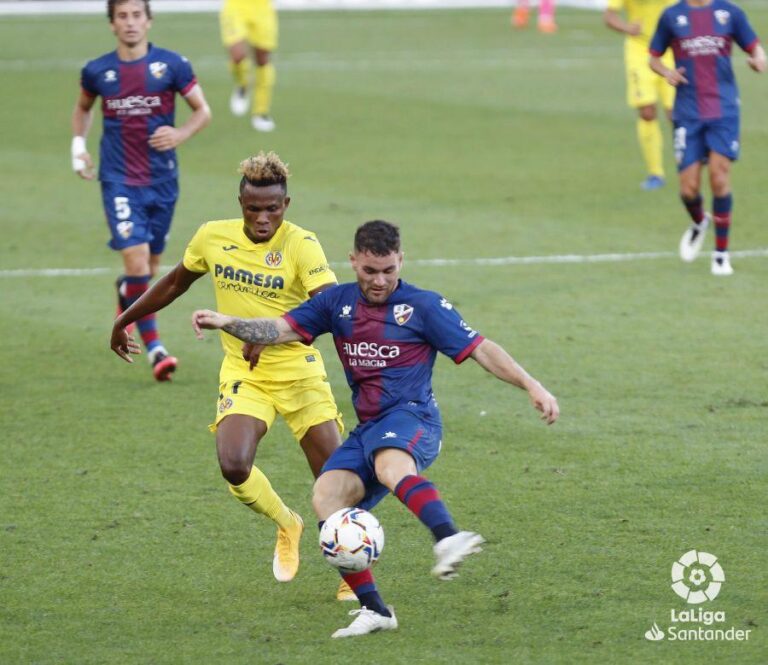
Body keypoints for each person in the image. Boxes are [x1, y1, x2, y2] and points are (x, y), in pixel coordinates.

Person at [190, 220, 560, 638]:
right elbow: (279, 329)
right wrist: (225, 321)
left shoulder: (423, 307)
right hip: (369, 427)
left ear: (401, 260)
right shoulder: (336, 302)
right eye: (369, 271)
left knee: (389, 465)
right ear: (353, 262)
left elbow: (482, 349)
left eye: (388, 270)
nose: (380, 280)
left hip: (413, 418)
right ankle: (376, 611)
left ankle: (447, 536)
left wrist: (532, 384)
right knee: (326, 498)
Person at [110, 152, 346, 589]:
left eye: (272, 209)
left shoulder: (301, 244)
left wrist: (272, 333)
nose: (262, 218)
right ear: (240, 203)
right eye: (253, 209)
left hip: (300, 374)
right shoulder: (212, 237)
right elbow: (176, 282)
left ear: (286, 205)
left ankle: (352, 570)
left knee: (335, 481)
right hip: (244, 372)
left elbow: (328, 309)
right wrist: (126, 318)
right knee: (234, 464)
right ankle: (286, 522)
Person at [72, 0, 211, 381]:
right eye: (122, 16)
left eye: (137, 15)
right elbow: (83, 108)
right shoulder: (98, 70)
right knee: (137, 265)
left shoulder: (172, 65)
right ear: (112, 24)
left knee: (146, 271)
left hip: (163, 183)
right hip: (118, 181)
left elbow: (202, 110)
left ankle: (126, 293)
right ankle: (156, 348)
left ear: (148, 21)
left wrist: (181, 133)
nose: (130, 22)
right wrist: (78, 147)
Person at [650, 0, 766, 276]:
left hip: (723, 110)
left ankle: (721, 255)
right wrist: (667, 73)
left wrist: (758, 60)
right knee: (688, 188)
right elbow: (653, 57)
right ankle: (700, 221)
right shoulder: (672, 16)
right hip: (687, 112)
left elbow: (756, 49)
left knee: (719, 176)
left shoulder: (730, 13)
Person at [604, 0, 676, 190]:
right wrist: (627, 27)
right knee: (647, 112)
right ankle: (655, 173)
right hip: (639, 52)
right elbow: (609, 16)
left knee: (676, 114)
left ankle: (687, 165)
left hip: (671, 51)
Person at [220, 0, 278, 132]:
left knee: (262, 58)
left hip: (262, 8)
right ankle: (243, 84)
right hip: (236, 7)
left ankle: (261, 112)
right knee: (237, 55)